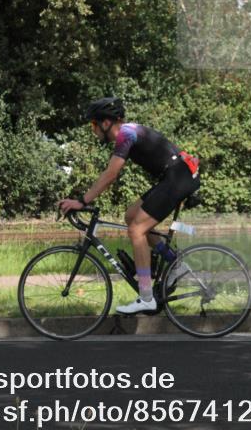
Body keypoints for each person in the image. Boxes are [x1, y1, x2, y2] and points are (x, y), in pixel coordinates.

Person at [57, 97, 200, 315]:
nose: (92, 130)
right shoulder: (128, 133)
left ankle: (146, 298)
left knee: (136, 230)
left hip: (177, 177)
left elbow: (111, 174)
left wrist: (82, 201)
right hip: (175, 175)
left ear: (106, 123)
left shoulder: (126, 134)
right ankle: (174, 262)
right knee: (131, 216)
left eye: (93, 124)